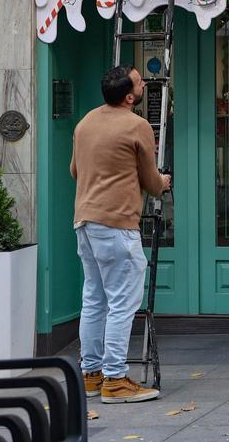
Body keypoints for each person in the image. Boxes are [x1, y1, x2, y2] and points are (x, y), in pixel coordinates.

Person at [71, 65, 171, 403]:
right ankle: (115, 379)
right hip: (116, 224)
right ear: (130, 96)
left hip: (85, 220)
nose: (144, 83)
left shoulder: (85, 123)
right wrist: (164, 182)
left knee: (94, 300)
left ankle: (90, 373)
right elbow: (152, 182)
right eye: (140, 82)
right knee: (122, 303)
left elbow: (74, 170)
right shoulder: (137, 125)